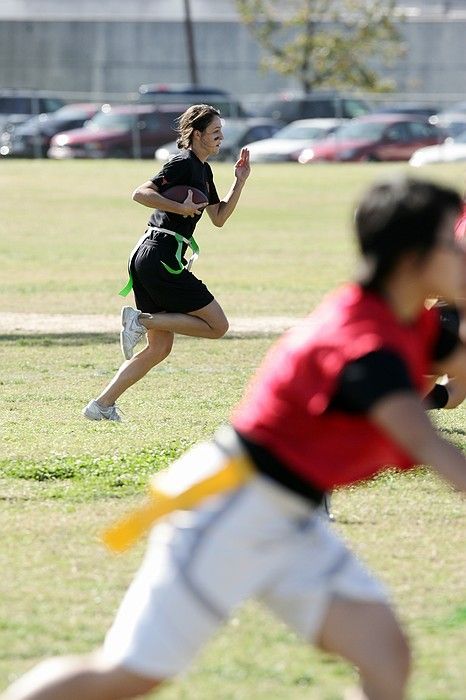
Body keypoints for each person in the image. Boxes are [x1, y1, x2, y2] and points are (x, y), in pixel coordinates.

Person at [3, 176, 466, 700]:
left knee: (385, 654)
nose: (462, 249)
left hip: (289, 518)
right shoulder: (362, 343)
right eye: (452, 242)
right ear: (412, 259)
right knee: (129, 673)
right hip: (229, 509)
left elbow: (455, 354)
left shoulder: (400, 317)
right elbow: (426, 442)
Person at [83, 104, 251, 421]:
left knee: (159, 348)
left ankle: (101, 405)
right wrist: (176, 207)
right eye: (215, 132)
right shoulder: (184, 163)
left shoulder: (203, 170)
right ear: (197, 134)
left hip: (152, 256)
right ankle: (141, 321)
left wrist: (240, 181)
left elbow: (218, 217)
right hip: (160, 255)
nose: (220, 138)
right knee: (218, 326)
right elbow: (140, 193)